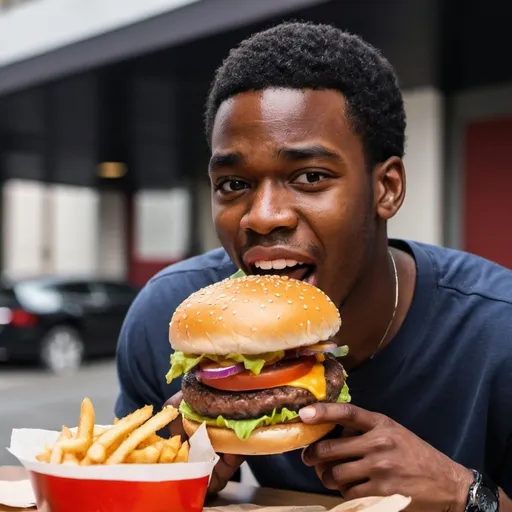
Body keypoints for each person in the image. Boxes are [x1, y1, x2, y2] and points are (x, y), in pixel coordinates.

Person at [115, 21, 512, 511]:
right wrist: (154, 481)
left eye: (309, 176)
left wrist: (466, 496)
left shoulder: (500, 331)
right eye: (233, 184)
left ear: (386, 189)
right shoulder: (168, 315)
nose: (262, 216)